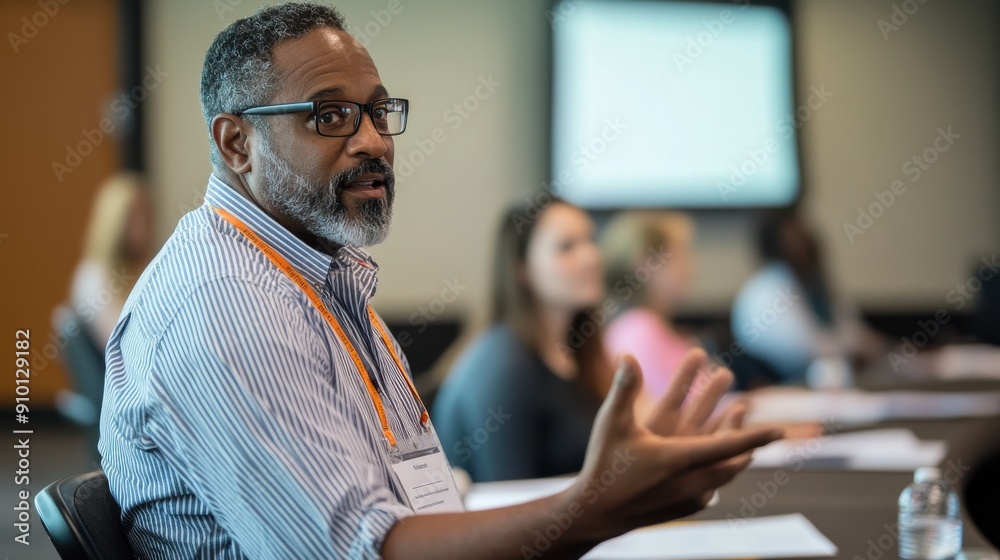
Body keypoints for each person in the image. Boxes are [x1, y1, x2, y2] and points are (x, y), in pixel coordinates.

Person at [99, 4, 782, 558]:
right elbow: (369, 553)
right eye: (331, 115)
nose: (371, 139)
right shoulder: (226, 304)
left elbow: (417, 507)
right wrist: (592, 508)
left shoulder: (325, 275)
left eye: (377, 111)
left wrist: (601, 504)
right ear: (236, 144)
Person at [433, 199, 609, 482]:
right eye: (567, 247)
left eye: (590, 240)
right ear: (522, 267)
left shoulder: (579, 352)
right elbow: (509, 499)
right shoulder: (503, 365)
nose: (591, 257)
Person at [730, 211, 874, 384]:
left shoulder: (814, 285)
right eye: (793, 239)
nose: (802, 245)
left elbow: (851, 329)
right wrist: (855, 346)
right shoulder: (765, 289)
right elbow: (803, 349)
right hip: (781, 385)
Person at [601, 211, 697, 413]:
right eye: (679, 256)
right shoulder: (637, 329)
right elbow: (674, 412)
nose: (690, 268)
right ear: (647, 264)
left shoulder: (651, 323)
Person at [69, 172, 153, 350]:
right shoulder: (92, 278)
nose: (142, 225)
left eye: (146, 215)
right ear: (113, 222)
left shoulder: (141, 270)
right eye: (133, 217)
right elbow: (122, 343)